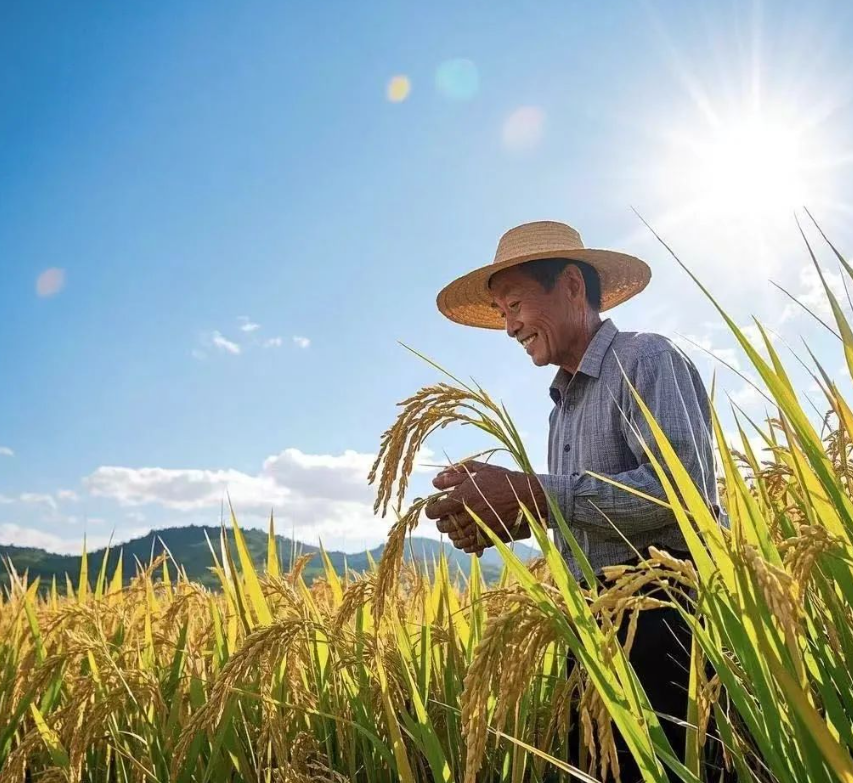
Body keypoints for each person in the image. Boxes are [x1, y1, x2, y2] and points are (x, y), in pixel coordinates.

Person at [423, 220, 724, 781]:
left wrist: (532, 490)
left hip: (668, 625)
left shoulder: (646, 362)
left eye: (515, 305)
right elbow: (576, 515)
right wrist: (501, 517)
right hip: (592, 629)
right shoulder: (560, 411)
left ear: (570, 286)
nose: (509, 327)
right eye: (502, 314)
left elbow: (681, 492)